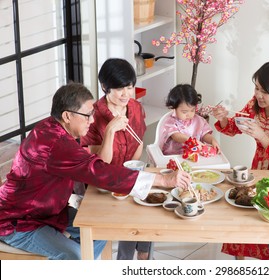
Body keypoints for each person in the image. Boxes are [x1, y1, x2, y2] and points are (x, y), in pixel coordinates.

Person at [0, 83, 191, 260]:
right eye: (87, 115)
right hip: (18, 220)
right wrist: (163, 180)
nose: (91, 121)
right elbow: (98, 171)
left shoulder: (52, 127)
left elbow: (90, 166)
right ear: (67, 116)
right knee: (77, 256)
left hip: (48, 212)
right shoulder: (54, 143)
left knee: (102, 230)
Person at [212, 61, 269, 260]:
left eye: (264, 91)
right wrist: (222, 119)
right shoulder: (255, 106)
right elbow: (234, 128)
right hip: (260, 168)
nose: (258, 95)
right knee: (243, 208)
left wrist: (263, 137)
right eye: (256, 88)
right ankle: (241, 260)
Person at [80, 58, 150, 260]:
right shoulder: (92, 115)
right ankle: (125, 263)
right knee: (131, 213)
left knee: (149, 203)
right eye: (119, 89)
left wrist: (133, 169)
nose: (126, 94)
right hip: (101, 181)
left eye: (129, 87)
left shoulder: (135, 107)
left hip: (127, 172)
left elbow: (138, 145)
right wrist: (110, 130)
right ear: (105, 87)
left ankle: (144, 257)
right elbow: (101, 164)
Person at [161, 84, 220, 155]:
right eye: (184, 112)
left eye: (192, 110)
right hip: (175, 156)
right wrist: (192, 141)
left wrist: (212, 140)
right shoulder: (170, 121)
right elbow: (176, 136)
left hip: (194, 155)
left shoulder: (199, 120)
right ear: (174, 108)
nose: (189, 114)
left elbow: (204, 135)